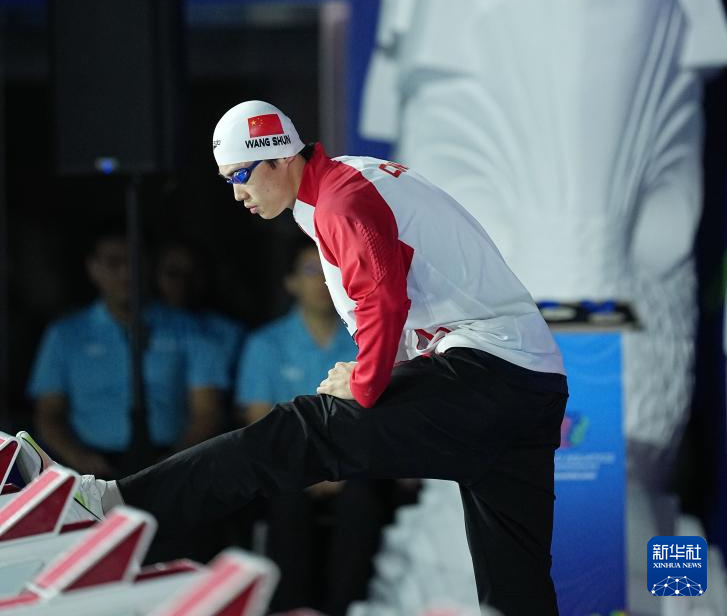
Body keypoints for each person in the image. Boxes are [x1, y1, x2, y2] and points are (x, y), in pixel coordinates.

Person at [18, 100, 568, 616]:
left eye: (241, 175)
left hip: (489, 373)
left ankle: (112, 501)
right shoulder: (345, 183)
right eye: (227, 180)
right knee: (514, 577)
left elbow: (383, 299)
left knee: (302, 429)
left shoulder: (340, 199)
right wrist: (383, 374)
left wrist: (366, 383)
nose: (237, 193)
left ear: (281, 157)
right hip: (530, 381)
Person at [236, 238, 394, 616]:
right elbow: (260, 422)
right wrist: (307, 469)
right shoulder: (265, 344)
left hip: (352, 466)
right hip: (289, 466)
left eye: (332, 269)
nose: (324, 280)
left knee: (362, 500)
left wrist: (338, 468)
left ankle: (347, 609)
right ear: (290, 282)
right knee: (286, 501)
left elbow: (378, 421)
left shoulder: (367, 341)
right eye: (312, 270)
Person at [26, 225, 229, 480]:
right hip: (86, 470)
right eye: (113, 262)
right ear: (93, 268)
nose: (126, 273)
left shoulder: (191, 330)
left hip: (173, 467)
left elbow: (207, 412)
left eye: (135, 262)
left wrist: (172, 464)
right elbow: (48, 413)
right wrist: (78, 459)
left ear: (150, 265)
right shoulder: (64, 334)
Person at [155, 237, 247, 389]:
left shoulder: (231, 332)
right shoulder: (142, 326)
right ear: (155, 276)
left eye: (192, 273)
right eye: (173, 273)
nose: (183, 282)